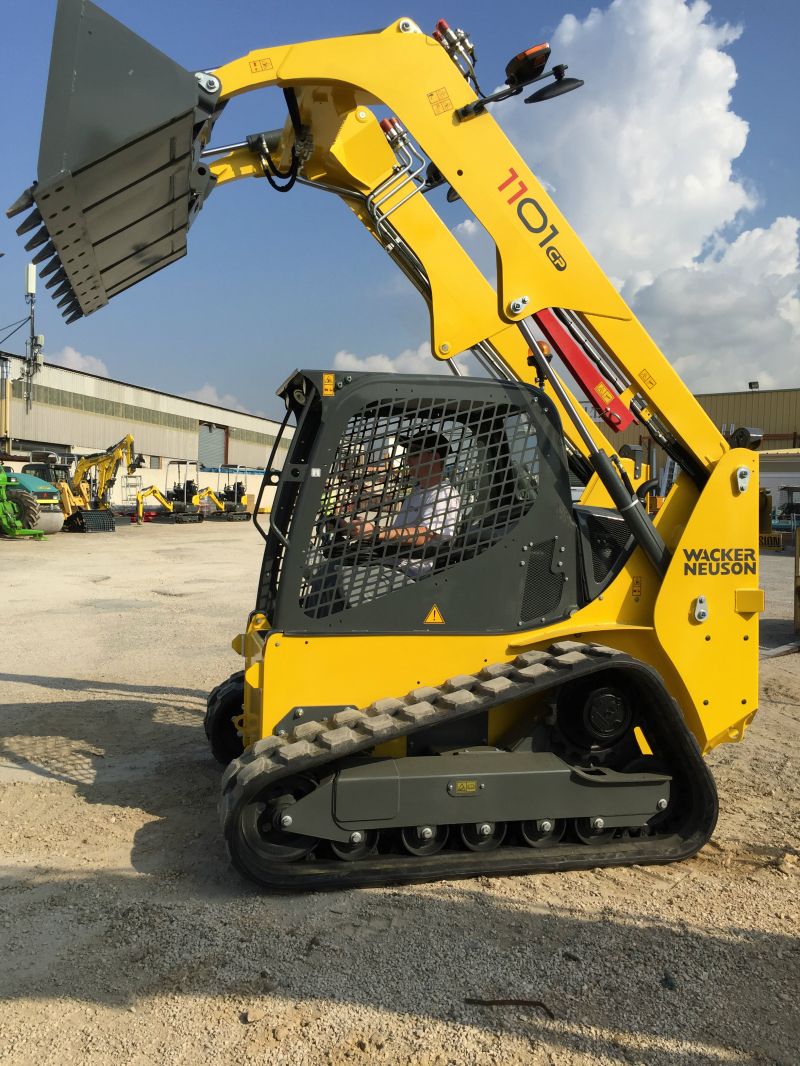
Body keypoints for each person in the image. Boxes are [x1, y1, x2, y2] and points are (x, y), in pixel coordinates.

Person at [341, 431, 461, 579]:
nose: (407, 460)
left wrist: (376, 532)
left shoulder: (444, 494)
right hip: (392, 566)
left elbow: (426, 535)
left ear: (435, 457)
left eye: (414, 453)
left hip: (413, 575)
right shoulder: (417, 492)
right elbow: (400, 532)